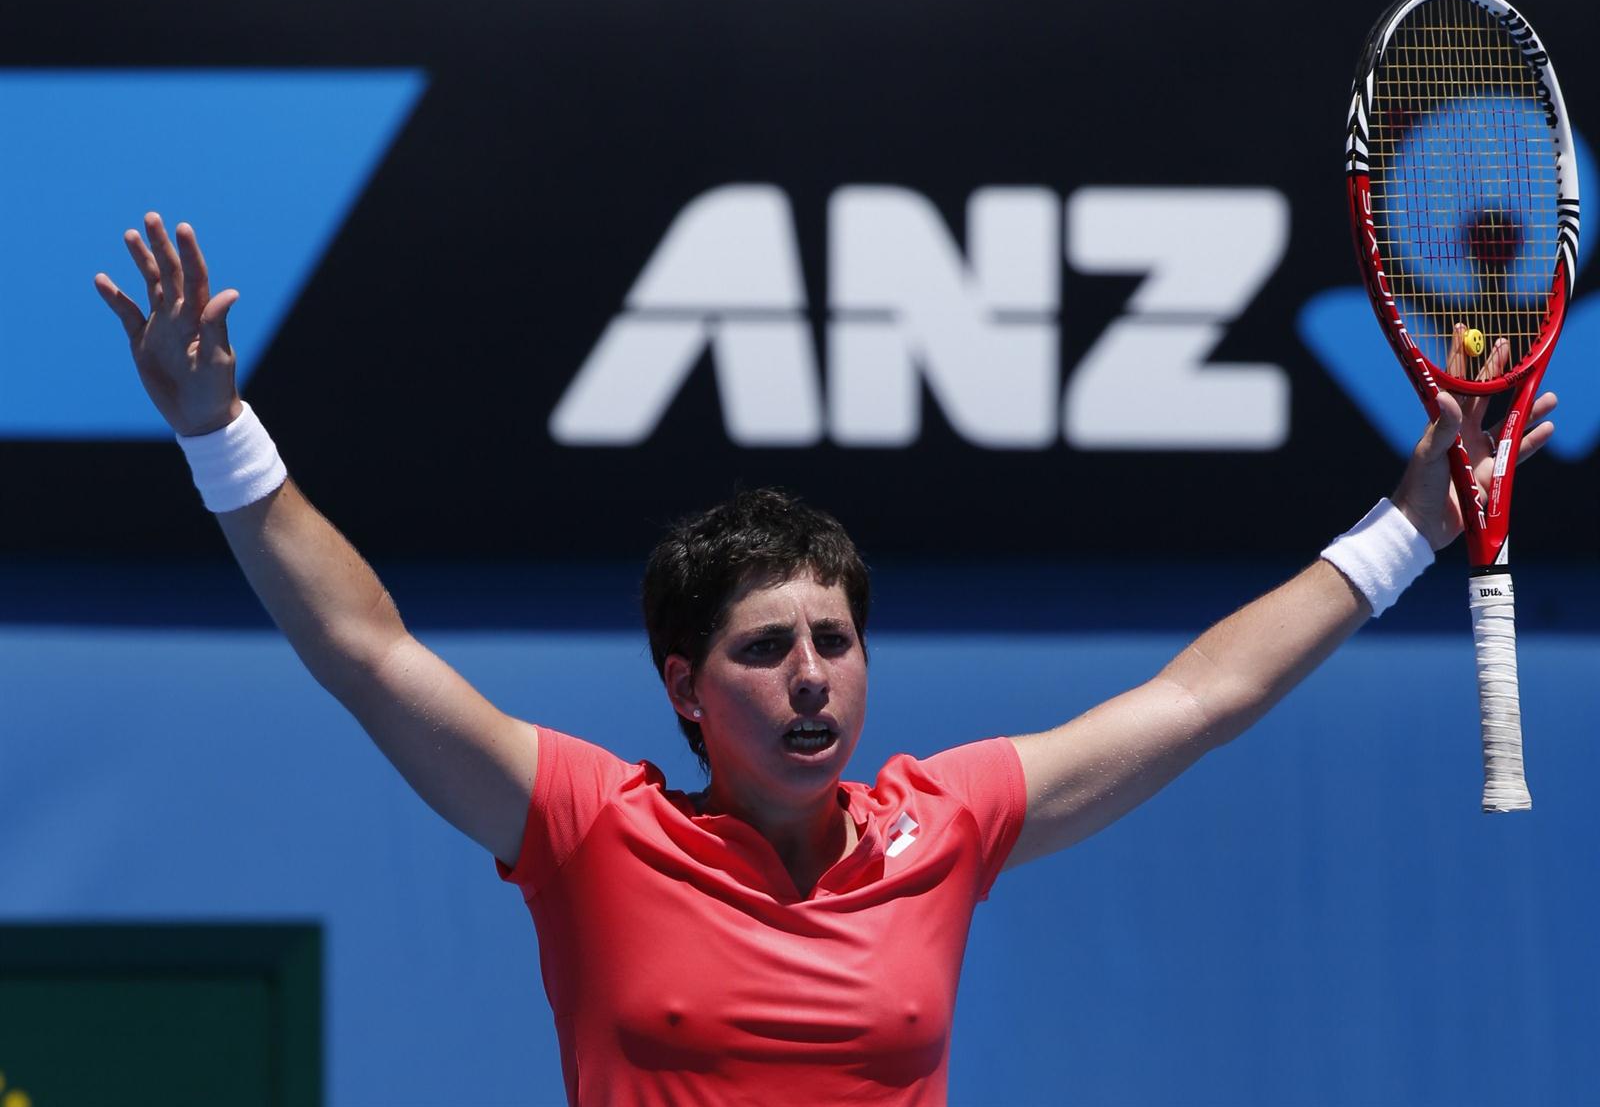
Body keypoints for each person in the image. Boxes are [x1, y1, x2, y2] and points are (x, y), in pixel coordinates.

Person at [94, 214, 1556, 1106]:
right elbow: (367, 652)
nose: (812, 677)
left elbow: (1199, 698)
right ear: (684, 686)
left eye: (835, 641)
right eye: (765, 648)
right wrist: (220, 434)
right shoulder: (590, 828)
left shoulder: (947, 821)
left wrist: (1407, 528)